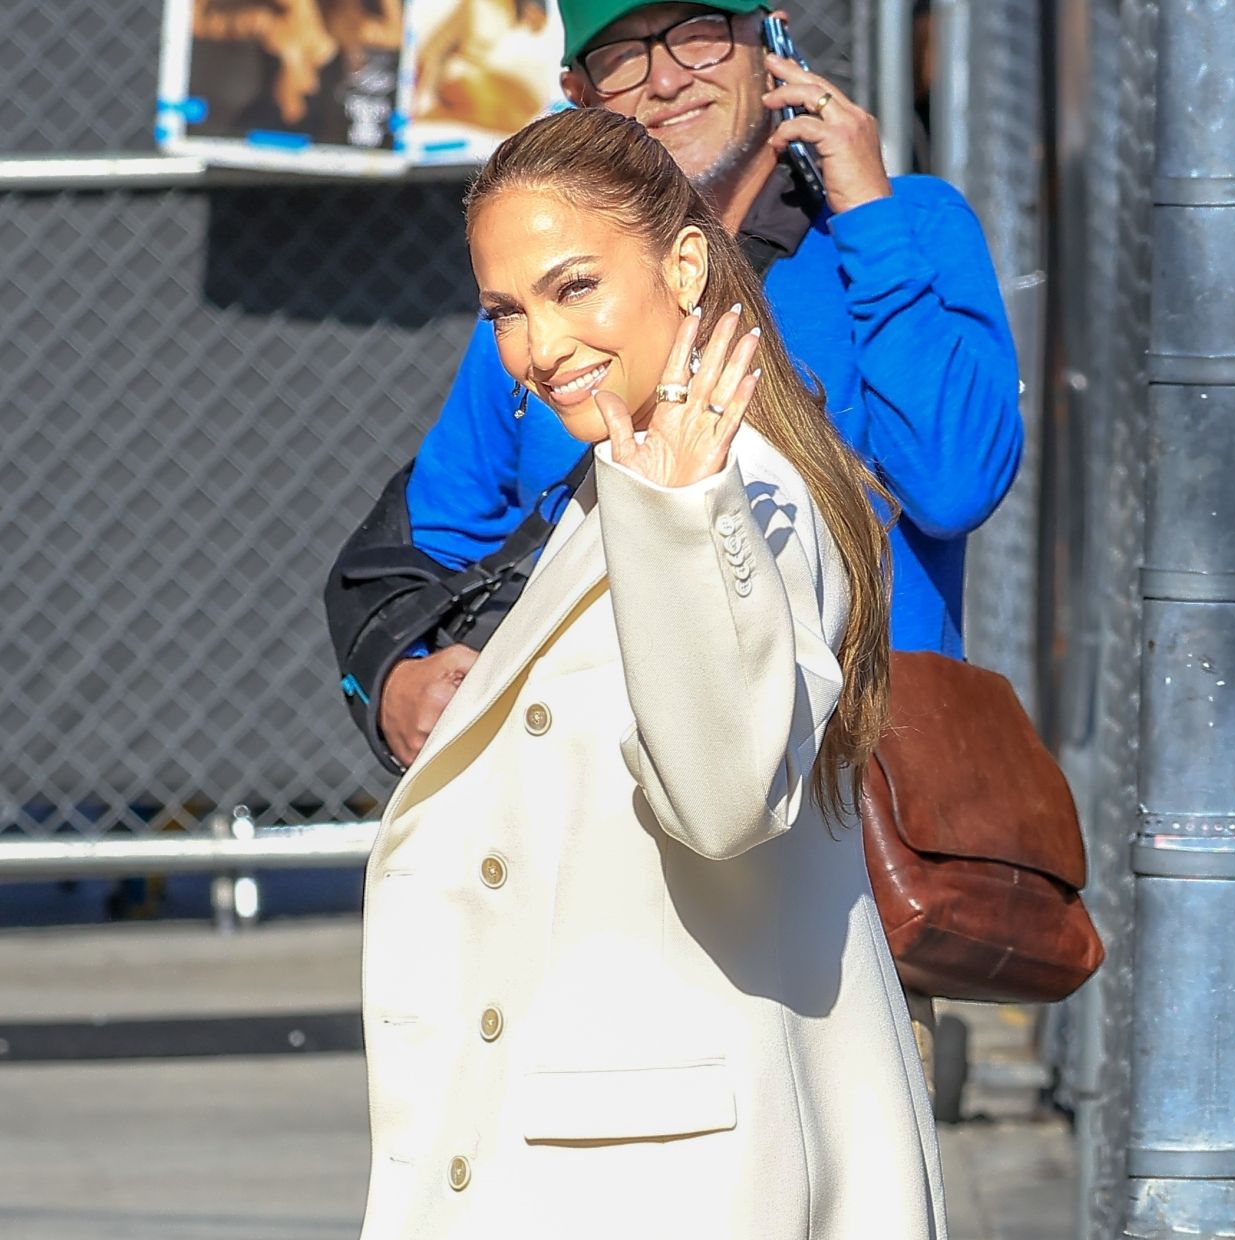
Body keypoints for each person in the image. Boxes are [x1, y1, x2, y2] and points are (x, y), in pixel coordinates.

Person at [297, 105, 1010, 1240]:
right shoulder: (640, 472)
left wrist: (680, 510)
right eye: (504, 309)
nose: (539, 344)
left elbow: (722, 784)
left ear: (687, 267)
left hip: (655, 1233)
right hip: (611, 1209)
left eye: (574, 286)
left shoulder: (739, 489)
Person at [371, 0, 1024, 771]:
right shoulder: (544, 311)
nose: (670, 78)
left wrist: (870, 217)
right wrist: (396, 681)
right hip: (607, 794)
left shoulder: (907, 223)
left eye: (700, 35)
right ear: (578, 91)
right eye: (621, 55)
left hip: (865, 794)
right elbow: (433, 539)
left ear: (771, 41)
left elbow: (956, 487)